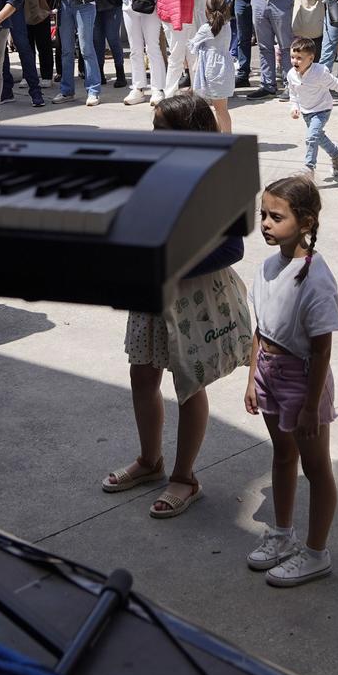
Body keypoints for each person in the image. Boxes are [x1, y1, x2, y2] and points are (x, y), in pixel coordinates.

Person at [99, 93, 257, 517]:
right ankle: (150, 461)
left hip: (194, 297)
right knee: (142, 376)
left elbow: (231, 249)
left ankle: (185, 477)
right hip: (152, 293)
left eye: (161, 130)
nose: (153, 137)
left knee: (189, 384)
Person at [244, 174, 338, 588]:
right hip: (269, 373)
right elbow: (261, 330)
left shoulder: (316, 279)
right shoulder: (268, 267)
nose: (265, 223)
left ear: (306, 222)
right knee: (282, 455)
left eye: (276, 216)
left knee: (315, 466)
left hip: (303, 382)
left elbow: (322, 350)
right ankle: (282, 534)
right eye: (262, 215)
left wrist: (308, 406)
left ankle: (316, 553)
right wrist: (252, 378)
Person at [287, 36, 338, 180]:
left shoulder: (319, 72)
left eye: (299, 58)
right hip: (306, 111)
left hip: (322, 109)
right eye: (292, 57)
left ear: (311, 58)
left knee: (311, 137)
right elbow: (293, 92)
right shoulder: (291, 74)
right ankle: (337, 154)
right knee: (318, 137)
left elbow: (335, 84)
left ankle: (309, 168)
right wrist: (294, 106)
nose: (295, 61)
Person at [188, 0, 236, 131]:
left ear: (206, 10)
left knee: (220, 110)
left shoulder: (206, 28)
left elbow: (192, 45)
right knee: (221, 109)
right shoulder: (226, 26)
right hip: (225, 68)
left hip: (213, 70)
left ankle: (226, 140)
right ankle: (222, 136)